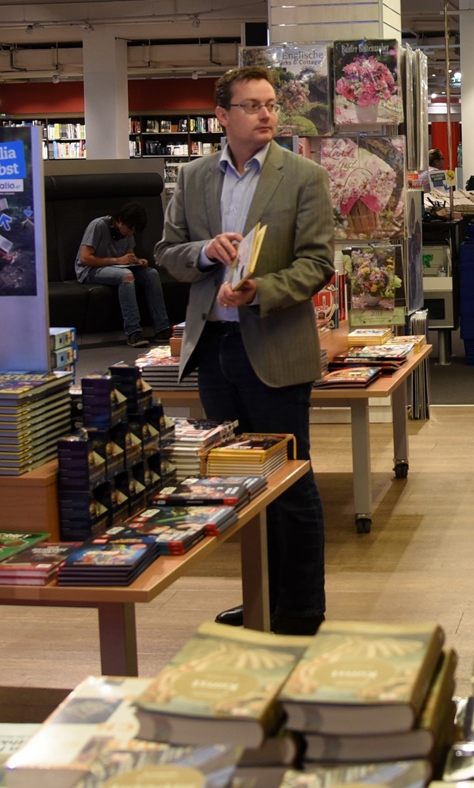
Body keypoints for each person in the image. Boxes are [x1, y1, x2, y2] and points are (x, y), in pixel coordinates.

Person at [154, 66, 334, 637]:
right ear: (221, 116)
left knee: (290, 479)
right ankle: (260, 600)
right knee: (236, 485)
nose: (266, 114)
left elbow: (317, 263)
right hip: (214, 349)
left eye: (271, 104)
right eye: (252, 105)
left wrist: (261, 290)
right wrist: (205, 253)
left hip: (274, 345)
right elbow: (166, 252)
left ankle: (300, 608)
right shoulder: (193, 177)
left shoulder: (304, 176)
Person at [75, 202, 171, 347]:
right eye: (130, 229)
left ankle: (162, 328)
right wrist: (117, 260)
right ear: (120, 221)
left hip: (117, 267)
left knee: (152, 274)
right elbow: (84, 258)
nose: (131, 233)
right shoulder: (98, 225)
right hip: (89, 270)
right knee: (126, 276)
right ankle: (133, 332)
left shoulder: (127, 232)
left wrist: (137, 261)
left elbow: (129, 254)